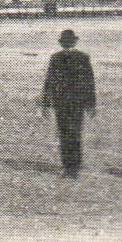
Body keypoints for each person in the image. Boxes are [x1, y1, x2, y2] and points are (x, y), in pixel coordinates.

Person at [40, 29, 96, 178]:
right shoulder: (83, 57)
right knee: (75, 133)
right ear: (75, 42)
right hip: (77, 102)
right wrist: (91, 104)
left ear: (62, 43)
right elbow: (89, 82)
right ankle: (74, 167)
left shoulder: (56, 58)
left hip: (61, 102)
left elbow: (49, 82)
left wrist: (46, 103)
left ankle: (67, 166)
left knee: (64, 133)